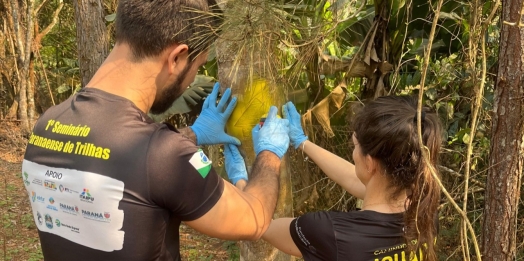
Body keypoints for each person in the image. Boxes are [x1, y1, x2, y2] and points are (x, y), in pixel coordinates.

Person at [21, 0, 290, 260]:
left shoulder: (47, 123)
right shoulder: (165, 156)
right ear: (176, 58)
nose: (193, 79)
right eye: (197, 66)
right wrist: (269, 153)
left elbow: (121, 159)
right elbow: (253, 218)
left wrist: (193, 135)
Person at [226, 96, 442, 260]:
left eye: (355, 146)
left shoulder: (329, 232)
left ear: (370, 163)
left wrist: (242, 179)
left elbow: (258, 223)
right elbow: (357, 179)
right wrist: (302, 142)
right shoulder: (424, 211)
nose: (353, 152)